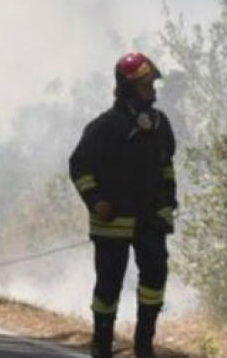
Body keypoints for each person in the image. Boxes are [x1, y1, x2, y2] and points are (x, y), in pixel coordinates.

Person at [69, 52, 177, 358]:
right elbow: (79, 167)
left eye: (152, 83)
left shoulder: (159, 124)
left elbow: (166, 167)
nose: (152, 89)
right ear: (128, 87)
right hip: (112, 224)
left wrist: (166, 205)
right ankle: (102, 344)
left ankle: (144, 346)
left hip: (150, 221)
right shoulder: (105, 126)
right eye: (145, 84)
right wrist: (96, 201)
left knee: (155, 279)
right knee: (109, 287)